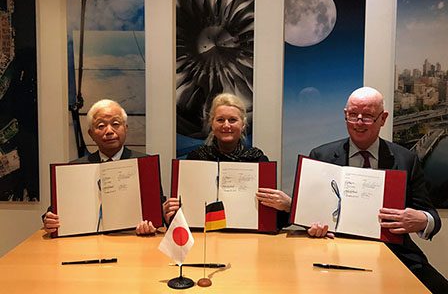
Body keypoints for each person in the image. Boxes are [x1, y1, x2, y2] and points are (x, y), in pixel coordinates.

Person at [307, 87, 447, 293]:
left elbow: (432, 217)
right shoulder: (321, 156)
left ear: (383, 118)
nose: (359, 122)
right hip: (334, 251)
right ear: (346, 116)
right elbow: (308, 215)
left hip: (395, 251)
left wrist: (422, 219)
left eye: (368, 116)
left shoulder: (405, 159)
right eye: (353, 115)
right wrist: (312, 226)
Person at [163, 93, 291, 227]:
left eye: (232, 120)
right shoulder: (196, 159)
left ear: (243, 125)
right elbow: (183, 214)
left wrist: (288, 206)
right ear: (212, 124)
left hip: (248, 239)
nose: (226, 125)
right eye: (220, 120)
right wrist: (170, 215)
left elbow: (274, 218)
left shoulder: (257, 160)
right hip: (205, 239)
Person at [43, 99, 160, 236]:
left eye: (116, 124)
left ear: (126, 128)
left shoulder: (145, 164)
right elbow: (55, 211)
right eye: (101, 126)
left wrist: (153, 223)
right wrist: (49, 220)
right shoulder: (75, 169)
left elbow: (159, 210)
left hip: (134, 240)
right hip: (87, 244)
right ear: (91, 134)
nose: (109, 131)